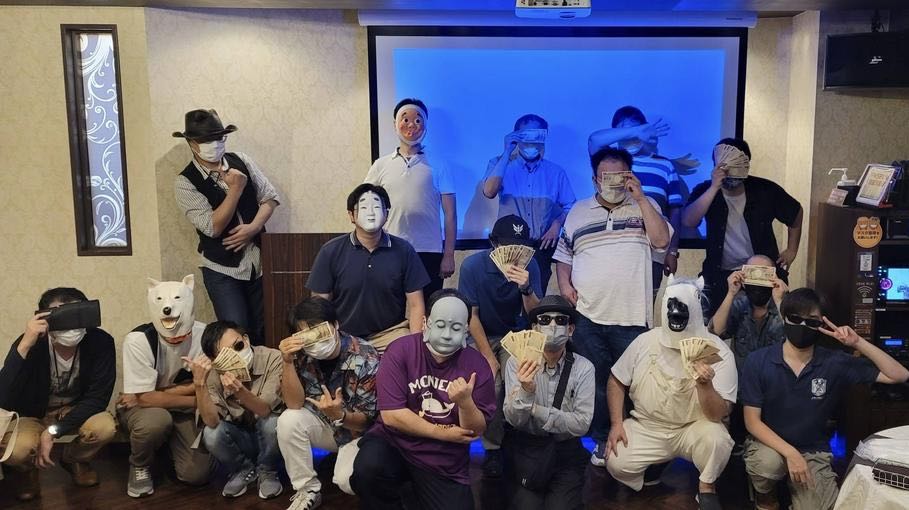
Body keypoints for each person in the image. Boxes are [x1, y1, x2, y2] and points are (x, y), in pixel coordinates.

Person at [554, 146, 671, 465]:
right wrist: (565, 286)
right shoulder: (578, 211)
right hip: (588, 314)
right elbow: (564, 257)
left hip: (631, 316)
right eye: (605, 177)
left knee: (635, 382)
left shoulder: (647, 205)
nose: (612, 182)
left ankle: (635, 441)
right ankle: (603, 439)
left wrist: (641, 198)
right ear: (595, 179)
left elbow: (662, 241)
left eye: (620, 176)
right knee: (597, 382)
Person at [741, 288, 909, 510]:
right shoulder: (758, 361)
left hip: (812, 449)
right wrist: (790, 453)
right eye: (795, 319)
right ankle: (766, 497)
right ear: (784, 317)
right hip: (769, 445)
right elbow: (752, 422)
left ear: (822, 325)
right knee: (767, 465)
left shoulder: (835, 362)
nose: (802, 326)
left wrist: (858, 342)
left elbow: (899, 375)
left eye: (812, 322)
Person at [350, 289, 496, 510]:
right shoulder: (400, 350)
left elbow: (475, 431)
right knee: (368, 470)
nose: (447, 335)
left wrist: (465, 403)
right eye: (440, 325)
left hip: (443, 457)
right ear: (426, 323)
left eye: (456, 328)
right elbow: (391, 415)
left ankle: (414, 493)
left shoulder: (477, 365)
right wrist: (441, 431)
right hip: (395, 442)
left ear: (466, 330)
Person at [605, 276, 737, 510]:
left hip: (694, 428)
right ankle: (654, 465)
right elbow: (616, 380)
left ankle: (707, 486)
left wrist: (705, 385)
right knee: (617, 460)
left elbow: (719, 414)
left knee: (718, 440)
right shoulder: (645, 342)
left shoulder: (719, 351)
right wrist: (617, 423)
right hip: (649, 426)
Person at [173, 108, 280, 345]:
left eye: (219, 137)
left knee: (266, 329)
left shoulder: (241, 160)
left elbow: (270, 197)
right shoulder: (185, 182)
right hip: (221, 268)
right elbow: (213, 227)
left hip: (259, 261)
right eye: (206, 140)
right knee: (235, 335)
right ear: (191, 143)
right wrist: (235, 189)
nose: (214, 144)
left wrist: (253, 228)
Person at [0, 288, 117, 501]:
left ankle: (75, 460)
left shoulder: (101, 342)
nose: (70, 325)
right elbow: (3, 396)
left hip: (75, 410)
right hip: (33, 413)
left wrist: (52, 432)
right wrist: (24, 345)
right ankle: (27, 472)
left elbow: (98, 398)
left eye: (76, 315)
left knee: (104, 427)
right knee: (17, 450)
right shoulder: (31, 343)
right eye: (61, 316)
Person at [458, 214, 543, 477]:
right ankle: (492, 447)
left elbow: (535, 316)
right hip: (480, 335)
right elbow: (471, 317)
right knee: (490, 383)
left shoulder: (530, 266)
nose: (514, 254)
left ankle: (518, 440)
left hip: (515, 335)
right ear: (494, 244)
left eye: (520, 248)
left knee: (519, 379)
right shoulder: (472, 266)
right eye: (507, 247)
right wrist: (488, 356)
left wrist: (526, 288)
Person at [276, 297, 380, 510]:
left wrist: (339, 415)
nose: (315, 342)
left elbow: (367, 422)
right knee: (288, 420)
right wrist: (287, 361)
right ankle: (307, 490)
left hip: (357, 432)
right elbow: (293, 404)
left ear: (336, 324)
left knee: (347, 481)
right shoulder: (300, 355)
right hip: (324, 425)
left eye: (319, 331)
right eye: (307, 336)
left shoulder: (366, 357)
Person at [682, 138, 802, 317]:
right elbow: (689, 221)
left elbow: (795, 212)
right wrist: (714, 187)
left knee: (769, 321)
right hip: (719, 273)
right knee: (715, 323)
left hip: (761, 272)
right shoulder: (705, 190)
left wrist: (792, 250)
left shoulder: (765, 190)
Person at [117, 275, 213, 498]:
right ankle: (140, 464)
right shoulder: (139, 340)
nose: (168, 306)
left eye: (177, 298)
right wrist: (197, 398)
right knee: (156, 421)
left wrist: (156, 393)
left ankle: (169, 449)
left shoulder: (206, 336)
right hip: (147, 411)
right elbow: (144, 400)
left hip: (182, 410)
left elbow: (208, 383)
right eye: (160, 299)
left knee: (197, 475)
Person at [306, 183, 430, 353]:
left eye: (377, 207)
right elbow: (319, 305)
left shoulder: (404, 250)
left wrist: (417, 348)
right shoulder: (330, 251)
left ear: (386, 214)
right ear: (351, 215)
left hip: (390, 333)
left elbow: (416, 305)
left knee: (408, 351)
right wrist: (334, 338)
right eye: (364, 208)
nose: (371, 213)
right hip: (344, 334)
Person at [502, 295, 594, 510]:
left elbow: (582, 424)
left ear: (570, 330)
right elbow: (514, 420)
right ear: (534, 328)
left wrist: (536, 409)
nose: (552, 325)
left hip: (565, 452)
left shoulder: (584, 368)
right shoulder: (517, 362)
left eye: (560, 320)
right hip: (527, 449)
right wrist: (526, 391)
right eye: (544, 320)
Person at [365, 98, 456, 301]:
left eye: (418, 120)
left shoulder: (440, 165)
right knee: (390, 308)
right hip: (389, 248)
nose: (411, 125)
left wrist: (449, 254)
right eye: (405, 119)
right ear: (395, 124)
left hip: (429, 250)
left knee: (429, 308)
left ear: (425, 125)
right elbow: (367, 205)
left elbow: (450, 214)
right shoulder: (380, 165)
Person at [587, 106, 685, 293]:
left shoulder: (664, 165)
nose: (632, 137)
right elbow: (594, 140)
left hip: (652, 252)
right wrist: (637, 130)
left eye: (638, 130)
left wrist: (672, 251)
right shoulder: (608, 163)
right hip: (610, 250)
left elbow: (675, 211)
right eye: (625, 132)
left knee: (645, 305)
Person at [184, 321, 284, 499]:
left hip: (271, 437)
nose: (237, 355)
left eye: (238, 346)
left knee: (272, 422)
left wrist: (240, 391)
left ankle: (267, 470)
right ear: (215, 360)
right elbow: (211, 421)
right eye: (227, 354)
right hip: (241, 437)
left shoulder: (272, 358)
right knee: (211, 433)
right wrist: (199, 384)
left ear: (246, 339)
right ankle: (243, 470)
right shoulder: (212, 372)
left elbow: (265, 410)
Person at [482, 114, 576, 290]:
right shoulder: (499, 164)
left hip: (540, 247)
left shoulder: (555, 172)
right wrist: (507, 152)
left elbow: (570, 205)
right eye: (526, 135)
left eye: (537, 135)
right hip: (508, 246)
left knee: (535, 298)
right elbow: (489, 191)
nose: (531, 141)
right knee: (506, 296)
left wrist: (557, 225)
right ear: (516, 135)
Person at [709, 254, 788, 447]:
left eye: (764, 274)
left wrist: (782, 302)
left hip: (775, 395)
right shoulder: (739, 304)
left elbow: (797, 340)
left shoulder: (784, 305)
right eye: (753, 274)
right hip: (741, 394)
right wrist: (730, 293)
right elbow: (715, 332)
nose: (758, 282)